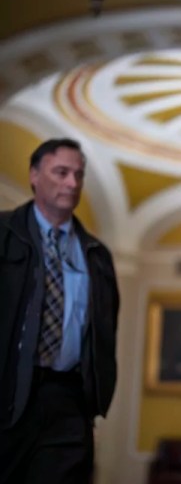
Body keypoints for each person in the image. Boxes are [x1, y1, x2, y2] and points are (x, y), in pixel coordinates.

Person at [0, 138, 120, 484]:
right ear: (34, 175)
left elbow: (104, 332)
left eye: (78, 175)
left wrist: (94, 400)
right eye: (61, 172)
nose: (72, 183)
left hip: (69, 400)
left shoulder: (97, 254)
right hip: (8, 393)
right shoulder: (4, 234)